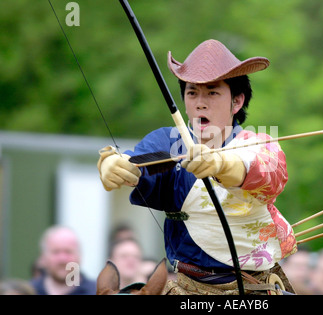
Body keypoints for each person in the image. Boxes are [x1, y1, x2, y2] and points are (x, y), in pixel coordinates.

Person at [97, 39, 297, 294]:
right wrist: (113, 163)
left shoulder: (258, 144)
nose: (200, 102)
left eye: (212, 92)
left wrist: (220, 164)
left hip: (254, 290)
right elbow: (138, 163)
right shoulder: (169, 141)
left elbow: (261, 171)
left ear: (236, 102)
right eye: (192, 92)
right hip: (188, 288)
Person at [30, 225, 96, 295]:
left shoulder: (98, 292)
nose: (62, 259)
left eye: (68, 252)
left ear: (79, 256)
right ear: (43, 256)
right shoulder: (29, 291)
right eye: (56, 252)